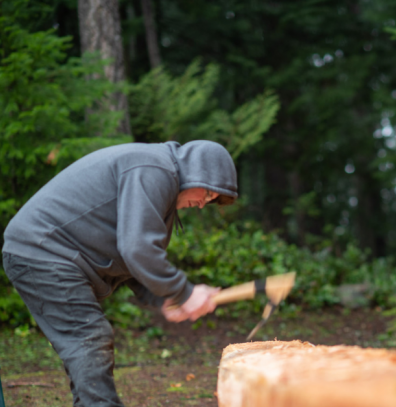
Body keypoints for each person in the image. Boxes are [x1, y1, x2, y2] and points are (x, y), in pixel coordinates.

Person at [2, 140, 237, 406]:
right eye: (207, 194)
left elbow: (131, 260)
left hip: (52, 253)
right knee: (88, 338)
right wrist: (184, 291)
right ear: (197, 171)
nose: (203, 204)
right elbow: (137, 249)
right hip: (41, 250)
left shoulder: (159, 177)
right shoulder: (154, 169)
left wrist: (166, 298)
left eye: (211, 200)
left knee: (88, 341)